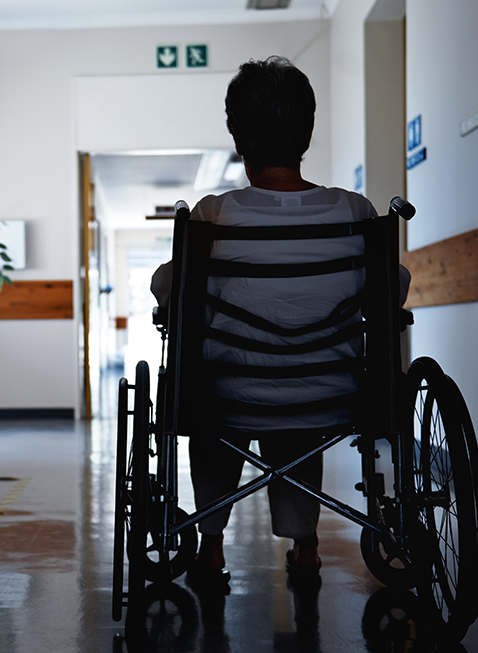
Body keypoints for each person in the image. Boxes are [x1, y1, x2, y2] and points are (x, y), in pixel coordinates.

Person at [150, 56, 410, 589]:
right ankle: (306, 546)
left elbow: (167, 289)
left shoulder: (213, 215)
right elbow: (394, 291)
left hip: (229, 394)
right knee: (298, 417)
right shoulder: (355, 212)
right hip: (332, 395)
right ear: (308, 133)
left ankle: (210, 544)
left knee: (212, 412)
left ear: (236, 136)